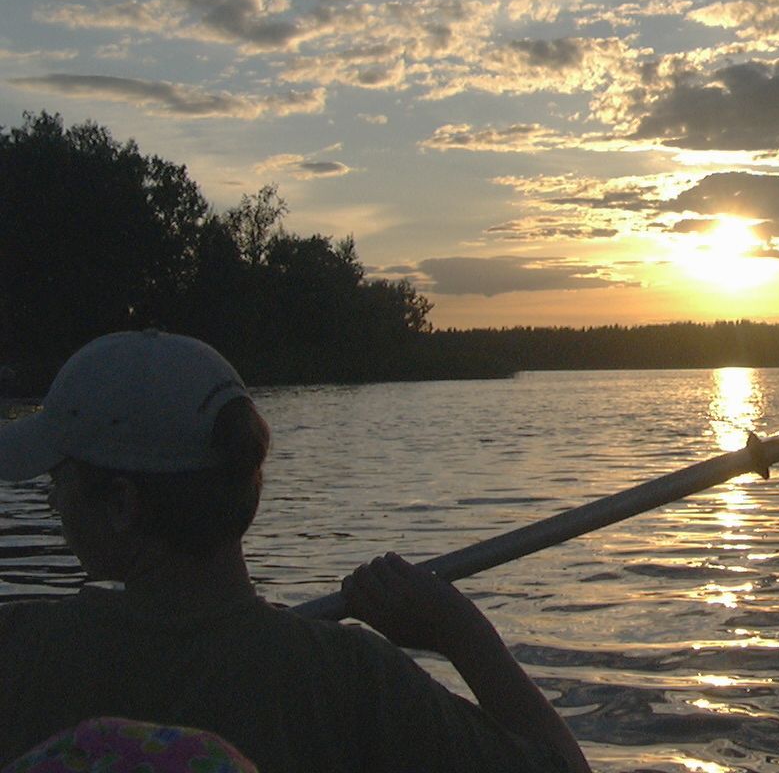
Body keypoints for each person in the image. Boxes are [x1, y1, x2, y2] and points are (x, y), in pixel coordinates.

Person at [0, 330, 591, 773]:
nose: (53, 499)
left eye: (59, 480)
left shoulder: (20, 651)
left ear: (121, 504)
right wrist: (458, 629)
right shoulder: (353, 679)